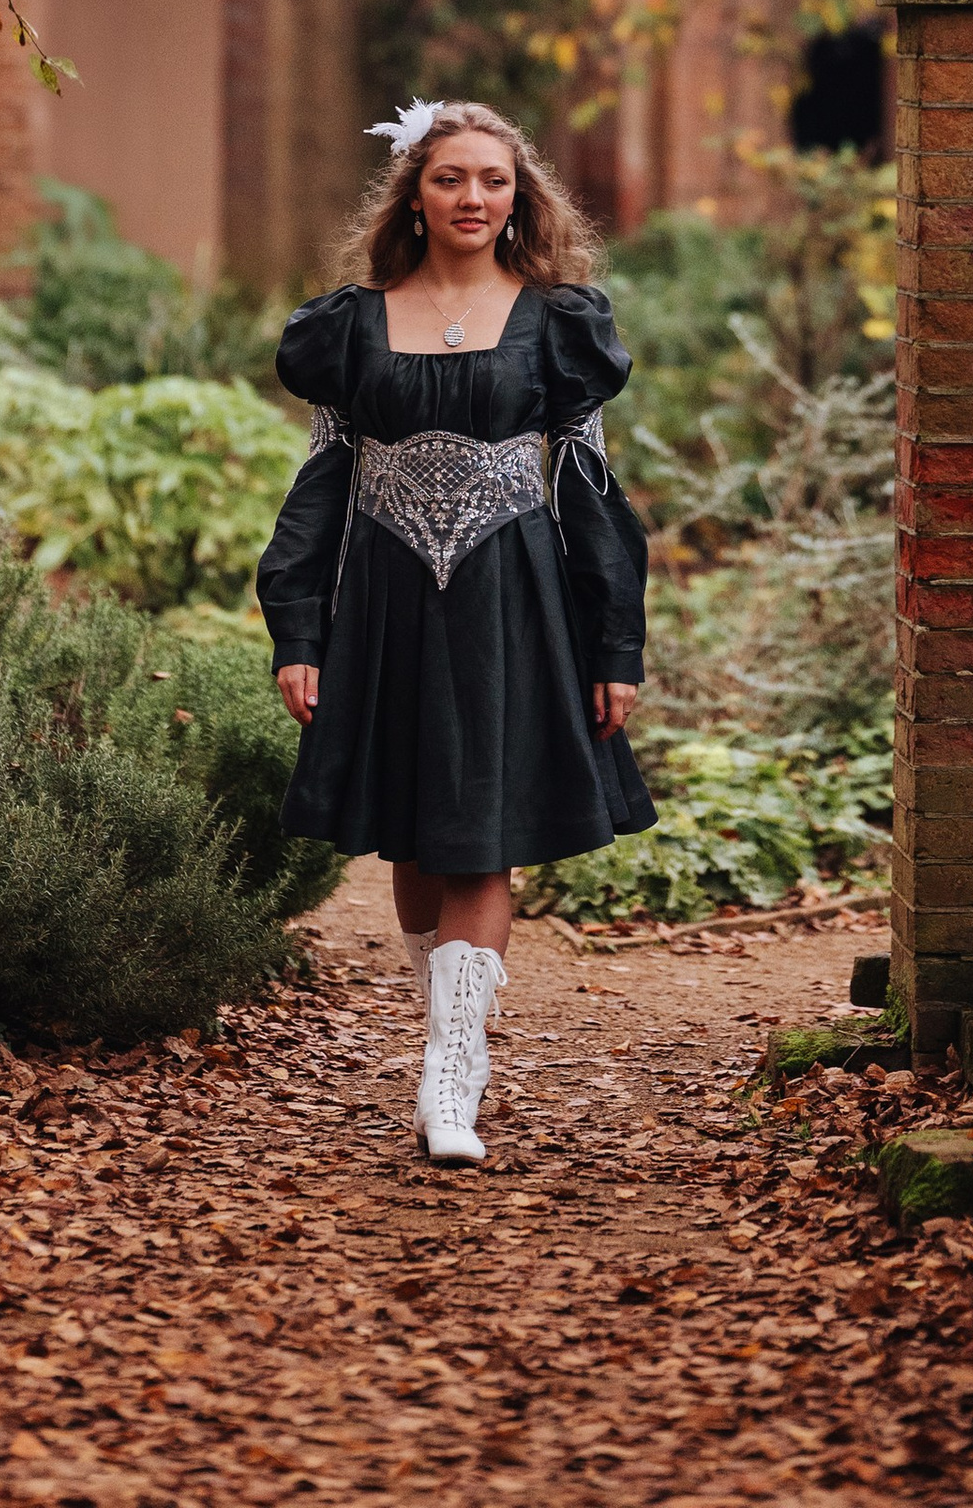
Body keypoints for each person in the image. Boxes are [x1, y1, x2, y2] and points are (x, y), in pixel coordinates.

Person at [256, 96, 654, 1164]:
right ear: (415, 196)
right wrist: (298, 629)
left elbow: (590, 487)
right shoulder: (347, 325)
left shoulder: (559, 322)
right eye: (449, 179)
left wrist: (615, 643)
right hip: (381, 598)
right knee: (415, 828)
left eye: (491, 180)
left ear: (518, 196)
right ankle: (454, 1007)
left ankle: (451, 1069)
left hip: (514, 601)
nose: (472, 197)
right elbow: (319, 483)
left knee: (480, 824)